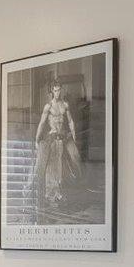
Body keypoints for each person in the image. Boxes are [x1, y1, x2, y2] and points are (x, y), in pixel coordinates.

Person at [32, 79, 79, 213]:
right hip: (51, 137)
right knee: (51, 165)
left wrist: (74, 136)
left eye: (59, 90)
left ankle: (58, 192)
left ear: (61, 90)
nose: (57, 92)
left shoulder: (65, 105)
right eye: (55, 90)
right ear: (52, 91)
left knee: (65, 162)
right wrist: (37, 139)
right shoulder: (48, 106)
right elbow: (41, 123)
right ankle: (50, 194)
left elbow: (70, 121)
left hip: (62, 137)